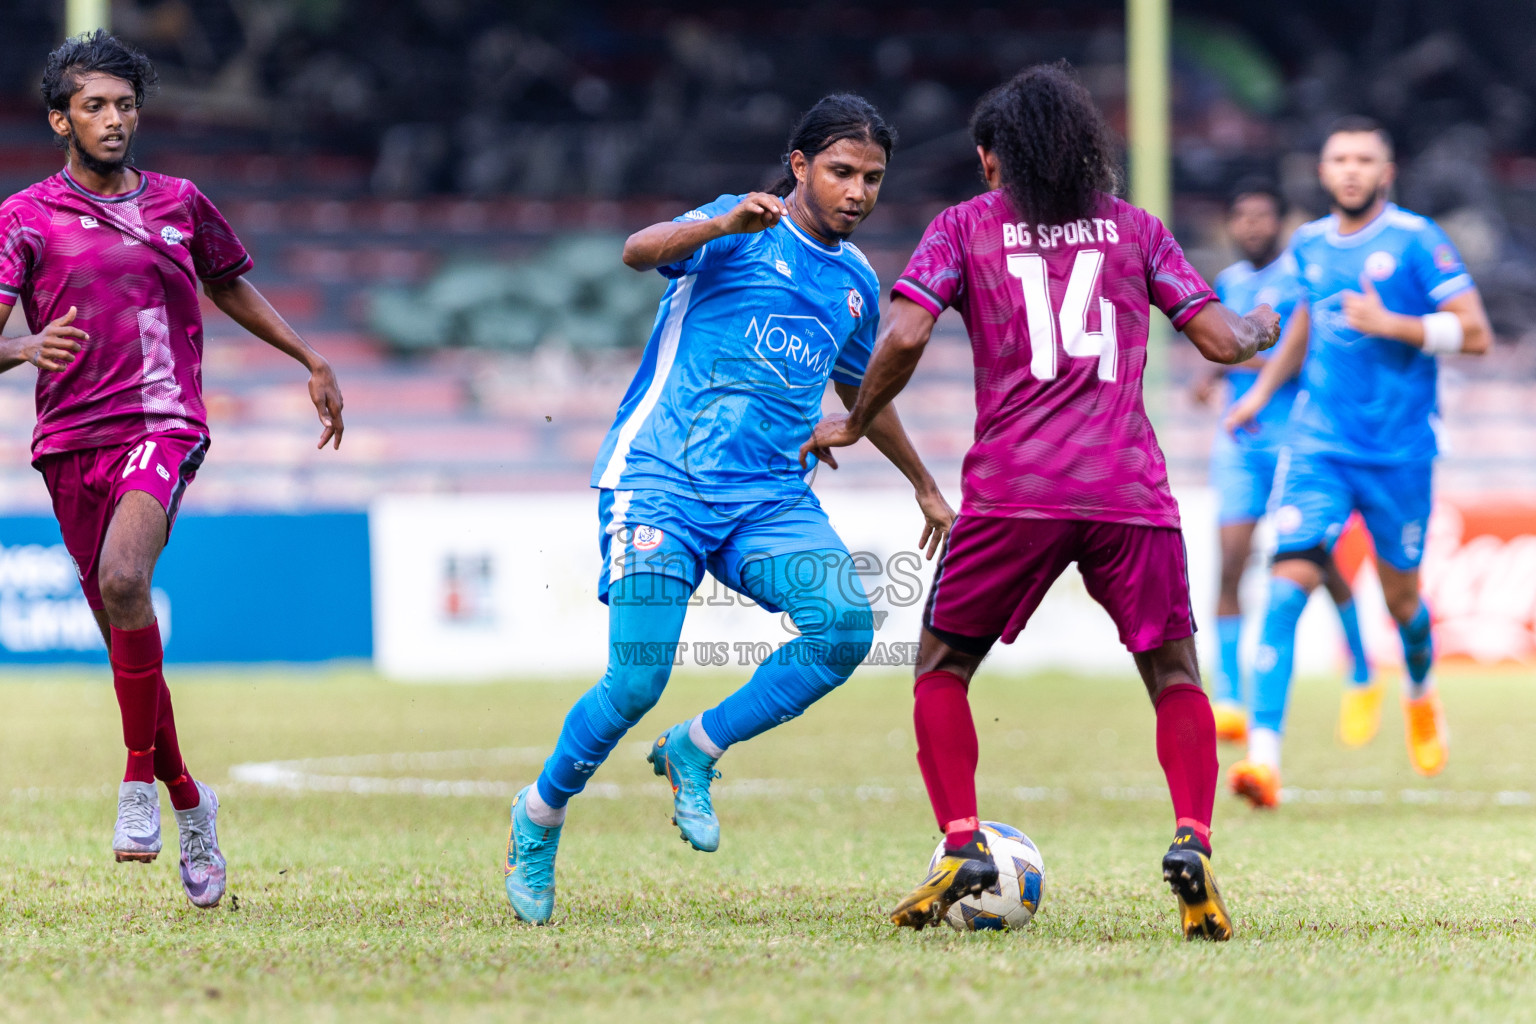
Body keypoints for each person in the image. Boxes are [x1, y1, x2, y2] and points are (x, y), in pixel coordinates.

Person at [802, 63, 1278, 941]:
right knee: (1174, 675)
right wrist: (1263, 329)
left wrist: (853, 418)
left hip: (1015, 491)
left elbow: (905, 331)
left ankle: (959, 843)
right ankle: (1192, 839)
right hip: (1128, 492)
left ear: (993, 161)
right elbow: (1220, 339)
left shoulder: (965, 227)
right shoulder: (1136, 230)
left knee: (942, 668)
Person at [503, 94, 953, 925]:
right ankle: (539, 815)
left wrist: (920, 479)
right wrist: (717, 228)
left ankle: (696, 748)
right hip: (661, 480)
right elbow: (637, 252)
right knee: (636, 678)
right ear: (799, 167)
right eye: (841, 171)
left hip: (768, 497)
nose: (857, 191)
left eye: (873, 178)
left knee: (846, 626)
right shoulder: (737, 224)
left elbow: (862, 388)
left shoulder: (855, 283)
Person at [0, 32, 345, 907]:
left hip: (163, 421)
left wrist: (309, 357)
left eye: (124, 105)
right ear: (59, 119)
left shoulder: (182, 203)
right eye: (94, 107)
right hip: (67, 439)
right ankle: (189, 799)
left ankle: (133, 786)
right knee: (123, 622)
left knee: (125, 579)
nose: (114, 120)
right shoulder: (24, 217)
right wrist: (25, 347)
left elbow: (227, 284)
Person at [1224, 117, 1490, 808]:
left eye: (1363, 159)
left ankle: (1421, 691)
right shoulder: (1307, 245)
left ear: (1386, 171)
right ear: (1322, 171)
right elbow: (1305, 325)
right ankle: (1263, 760)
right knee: (1285, 588)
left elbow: (1477, 334)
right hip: (1319, 446)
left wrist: (1394, 325)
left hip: (1400, 454)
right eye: (1339, 158)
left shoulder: (1417, 240)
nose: (1350, 170)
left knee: (1402, 602)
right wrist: (1259, 392)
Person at [1194, 180, 1373, 745]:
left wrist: (1235, 364)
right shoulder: (1229, 282)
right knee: (1230, 562)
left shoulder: (1302, 278)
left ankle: (1361, 662)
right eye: (1241, 217)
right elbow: (1227, 347)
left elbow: (1294, 355)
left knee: (1313, 563)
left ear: (1282, 222)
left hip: (1298, 440)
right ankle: (1228, 697)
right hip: (1241, 446)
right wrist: (1213, 374)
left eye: (1261, 216)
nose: (1251, 226)